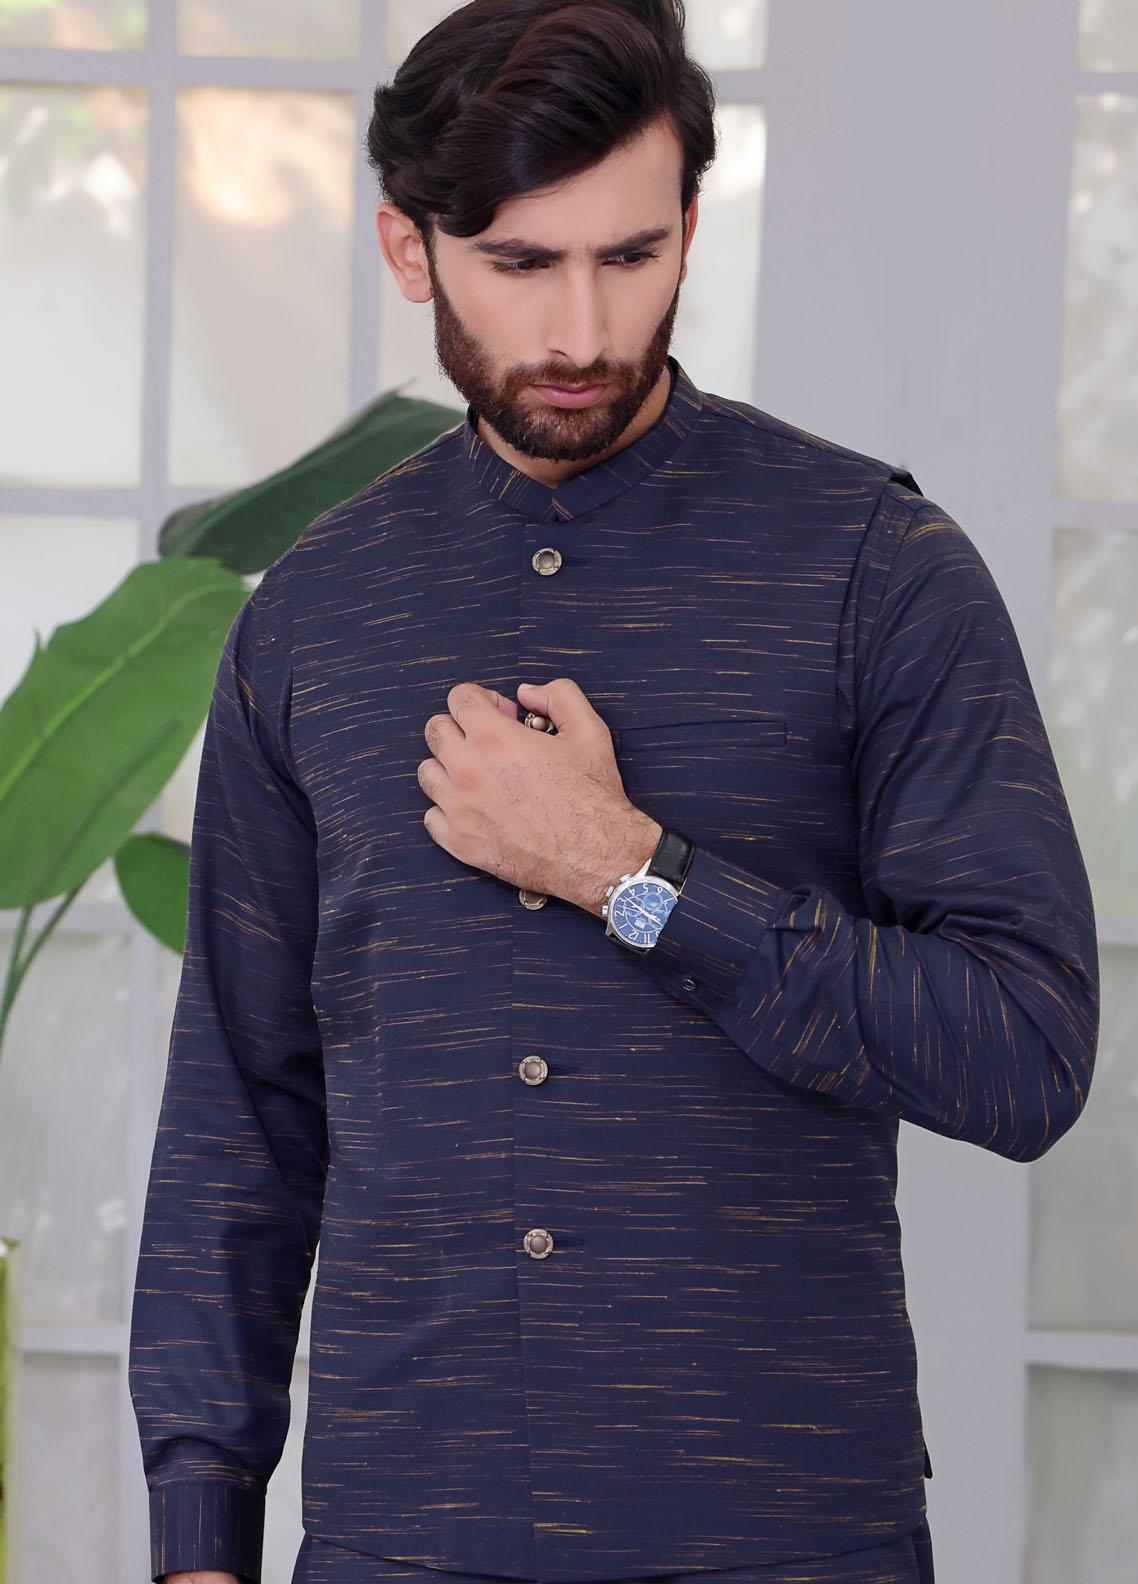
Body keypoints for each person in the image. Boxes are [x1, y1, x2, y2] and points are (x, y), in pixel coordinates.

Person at [128, 2, 1100, 1582]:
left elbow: (1022, 1054)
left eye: (630, 257)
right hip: (404, 1536)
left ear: (690, 229)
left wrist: (632, 872)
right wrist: (197, 1533)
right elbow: (243, 1115)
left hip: (782, 1532)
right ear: (408, 248)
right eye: (521, 263)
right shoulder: (311, 616)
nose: (580, 329)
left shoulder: (874, 570)